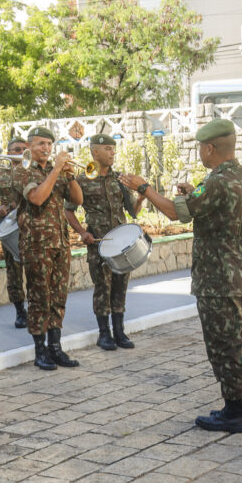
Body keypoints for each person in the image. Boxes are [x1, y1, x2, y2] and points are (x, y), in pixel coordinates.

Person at [119, 119, 242, 433]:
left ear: (209, 148)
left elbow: (174, 212)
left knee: (224, 343)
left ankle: (234, 411)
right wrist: (192, 192)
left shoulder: (217, 181)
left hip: (218, 272)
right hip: (240, 267)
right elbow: (207, 205)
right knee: (241, 340)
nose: (200, 152)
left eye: (201, 147)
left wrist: (143, 187)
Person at [66, 134, 145, 351]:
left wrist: (140, 198)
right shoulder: (82, 180)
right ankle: (104, 334)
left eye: (113, 149)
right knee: (103, 287)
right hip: (99, 243)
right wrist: (82, 232)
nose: (112, 153)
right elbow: (68, 211)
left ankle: (119, 332)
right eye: (107, 148)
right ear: (94, 152)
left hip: (122, 243)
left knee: (121, 286)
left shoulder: (119, 180)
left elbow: (132, 212)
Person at [14, 127, 84, 370]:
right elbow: (36, 198)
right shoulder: (23, 170)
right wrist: (56, 170)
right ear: (30, 147)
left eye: (49, 144)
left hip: (60, 242)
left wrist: (70, 175)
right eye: (41, 144)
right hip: (36, 245)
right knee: (39, 298)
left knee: (58, 297)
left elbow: (77, 199)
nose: (46, 148)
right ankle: (40, 350)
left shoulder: (56, 171)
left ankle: (56, 348)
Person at [0, 136, 28, 328]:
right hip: (9, 224)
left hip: (30, 223)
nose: (20, 152)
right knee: (13, 270)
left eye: (24, 149)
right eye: (16, 149)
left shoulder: (32, 169)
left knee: (34, 268)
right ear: (8, 151)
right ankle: (20, 311)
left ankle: (36, 307)